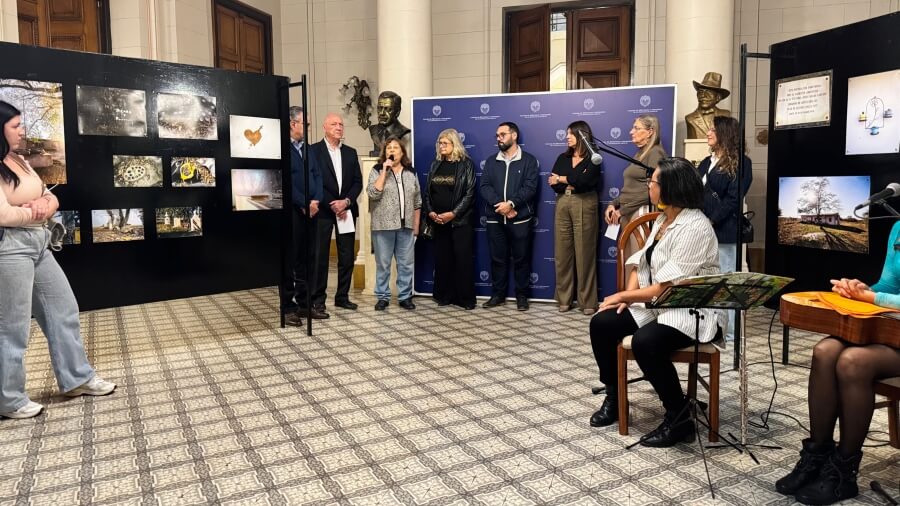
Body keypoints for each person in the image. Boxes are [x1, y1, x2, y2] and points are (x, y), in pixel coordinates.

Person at [588, 157, 723, 447]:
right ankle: (614, 397)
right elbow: (640, 264)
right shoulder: (664, 219)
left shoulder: (695, 227)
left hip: (690, 308)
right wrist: (627, 296)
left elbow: (668, 285)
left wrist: (625, 295)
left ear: (670, 188)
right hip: (658, 303)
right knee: (602, 323)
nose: (649, 186)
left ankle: (679, 416)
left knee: (646, 342)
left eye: (653, 182)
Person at [0, 100, 115, 420]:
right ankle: (8, 398)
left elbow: (50, 194)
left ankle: (76, 378)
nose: (22, 131)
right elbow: (2, 214)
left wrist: (45, 205)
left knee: (63, 309)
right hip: (9, 248)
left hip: (38, 242)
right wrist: (33, 210)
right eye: (15, 126)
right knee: (12, 325)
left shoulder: (18, 160)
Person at [775, 220, 900, 505]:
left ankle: (844, 472)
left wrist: (873, 297)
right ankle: (816, 457)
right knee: (825, 351)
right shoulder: (898, 228)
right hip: (892, 329)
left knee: (853, 362)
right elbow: (889, 285)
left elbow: (881, 296)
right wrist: (860, 289)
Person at [697, 115, 752, 341]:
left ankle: (728, 333)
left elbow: (733, 199)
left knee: (726, 282)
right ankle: (710, 327)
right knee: (707, 282)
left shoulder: (742, 163)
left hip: (725, 231)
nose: (708, 133)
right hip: (702, 232)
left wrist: (712, 220)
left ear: (725, 134)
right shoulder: (704, 162)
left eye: (713, 129)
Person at [480, 122, 539, 311]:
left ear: (514, 135)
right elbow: (485, 186)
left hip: (520, 218)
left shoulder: (529, 160)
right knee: (497, 259)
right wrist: (502, 206)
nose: (499, 138)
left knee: (521, 259)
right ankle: (498, 295)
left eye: (503, 134)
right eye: (497, 135)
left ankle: (522, 296)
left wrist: (512, 204)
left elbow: (530, 188)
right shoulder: (491, 161)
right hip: (495, 218)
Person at [309, 113, 362, 312]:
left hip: (346, 211)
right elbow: (314, 181)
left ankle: (342, 297)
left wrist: (346, 202)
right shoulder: (313, 151)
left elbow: (358, 181)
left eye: (341, 124)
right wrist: (331, 203)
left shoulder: (351, 152)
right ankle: (318, 300)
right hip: (323, 211)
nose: (339, 127)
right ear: (324, 126)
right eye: (334, 124)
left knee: (347, 256)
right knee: (320, 256)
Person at [549, 120, 602, 315]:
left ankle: (587, 302)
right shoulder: (562, 157)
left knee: (584, 253)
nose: (567, 137)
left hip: (585, 203)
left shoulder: (594, 158)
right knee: (562, 254)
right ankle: (564, 299)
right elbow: (552, 183)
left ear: (582, 135)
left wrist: (563, 179)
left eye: (570, 134)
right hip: (563, 202)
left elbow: (585, 181)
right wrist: (569, 182)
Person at [422, 128, 476, 310]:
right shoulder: (435, 164)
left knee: (462, 260)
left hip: (459, 221)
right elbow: (427, 193)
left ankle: (465, 299)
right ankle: (443, 296)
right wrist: (430, 212)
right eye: (440, 143)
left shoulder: (466, 165)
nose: (441, 146)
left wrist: (453, 213)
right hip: (438, 222)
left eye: (445, 143)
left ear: (455, 144)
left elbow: (469, 194)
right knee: (443, 260)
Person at [367, 137, 421, 311]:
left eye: (395, 147)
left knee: (406, 264)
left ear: (402, 152)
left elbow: (417, 201)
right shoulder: (376, 170)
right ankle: (382, 297)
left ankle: (405, 296)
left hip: (406, 227)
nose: (392, 150)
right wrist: (384, 171)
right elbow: (373, 193)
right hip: (383, 227)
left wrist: (416, 227)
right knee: (383, 264)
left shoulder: (411, 172)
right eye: (388, 148)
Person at [605, 114, 667, 264]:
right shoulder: (641, 153)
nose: (631, 132)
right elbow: (632, 187)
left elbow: (653, 191)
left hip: (640, 213)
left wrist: (623, 210)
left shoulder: (655, 153)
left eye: (636, 128)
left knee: (637, 264)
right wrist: (613, 203)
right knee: (628, 261)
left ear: (650, 131)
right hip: (629, 213)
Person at [285, 106, 326, 326]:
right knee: (291, 260)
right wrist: (303, 203)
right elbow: (284, 183)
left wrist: (315, 201)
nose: (308, 127)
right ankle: (288, 307)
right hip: (293, 213)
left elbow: (318, 177)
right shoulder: (283, 148)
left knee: (308, 259)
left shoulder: (309, 150)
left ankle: (304, 305)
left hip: (312, 211)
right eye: (306, 124)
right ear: (293, 124)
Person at [684, 72, 732, 139]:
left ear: (718, 97)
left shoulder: (725, 115)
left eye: (708, 93)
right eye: (700, 92)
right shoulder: (690, 118)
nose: (703, 96)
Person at [368, 91, 411, 156]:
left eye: (388, 109)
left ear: (397, 112)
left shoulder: (402, 131)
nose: (382, 113)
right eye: (379, 108)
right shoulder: (373, 130)